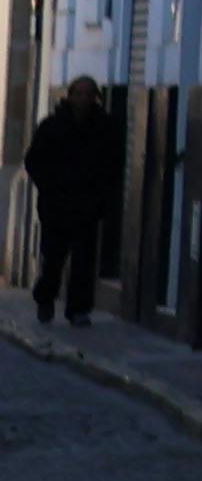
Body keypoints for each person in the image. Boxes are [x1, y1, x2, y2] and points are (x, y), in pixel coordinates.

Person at [19, 76, 118, 326]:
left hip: (87, 204)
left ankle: (78, 309)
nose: (84, 99)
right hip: (57, 205)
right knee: (54, 257)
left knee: (84, 259)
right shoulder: (52, 126)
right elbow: (33, 161)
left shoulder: (103, 127)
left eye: (89, 94)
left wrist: (102, 195)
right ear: (70, 95)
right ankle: (46, 297)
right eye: (79, 94)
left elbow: (112, 164)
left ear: (95, 97)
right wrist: (49, 186)